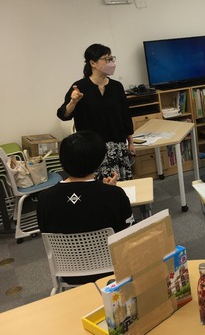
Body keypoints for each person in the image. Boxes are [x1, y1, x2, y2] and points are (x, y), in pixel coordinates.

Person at [37, 131, 134, 283]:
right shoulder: (115, 195)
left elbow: (46, 231)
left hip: (68, 274)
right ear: (99, 161)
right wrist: (110, 191)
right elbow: (128, 235)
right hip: (112, 272)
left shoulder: (44, 199)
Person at [57, 43, 135, 180]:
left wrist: (131, 142)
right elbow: (64, 115)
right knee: (97, 186)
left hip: (117, 146)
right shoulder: (80, 87)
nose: (111, 63)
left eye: (111, 59)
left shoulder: (117, 86)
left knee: (119, 184)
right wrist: (73, 102)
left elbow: (125, 116)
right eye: (106, 59)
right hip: (92, 148)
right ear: (93, 63)